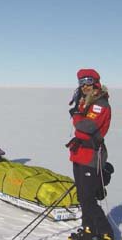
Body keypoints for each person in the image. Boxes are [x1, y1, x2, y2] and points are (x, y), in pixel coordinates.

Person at [66, 69, 114, 240]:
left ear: (95, 83)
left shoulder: (100, 104)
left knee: (88, 198)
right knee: (82, 196)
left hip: (91, 157)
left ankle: (106, 232)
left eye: (88, 81)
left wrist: (77, 116)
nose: (84, 86)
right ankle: (88, 230)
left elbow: (86, 128)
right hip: (80, 154)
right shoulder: (85, 102)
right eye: (81, 82)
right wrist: (79, 114)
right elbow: (81, 127)